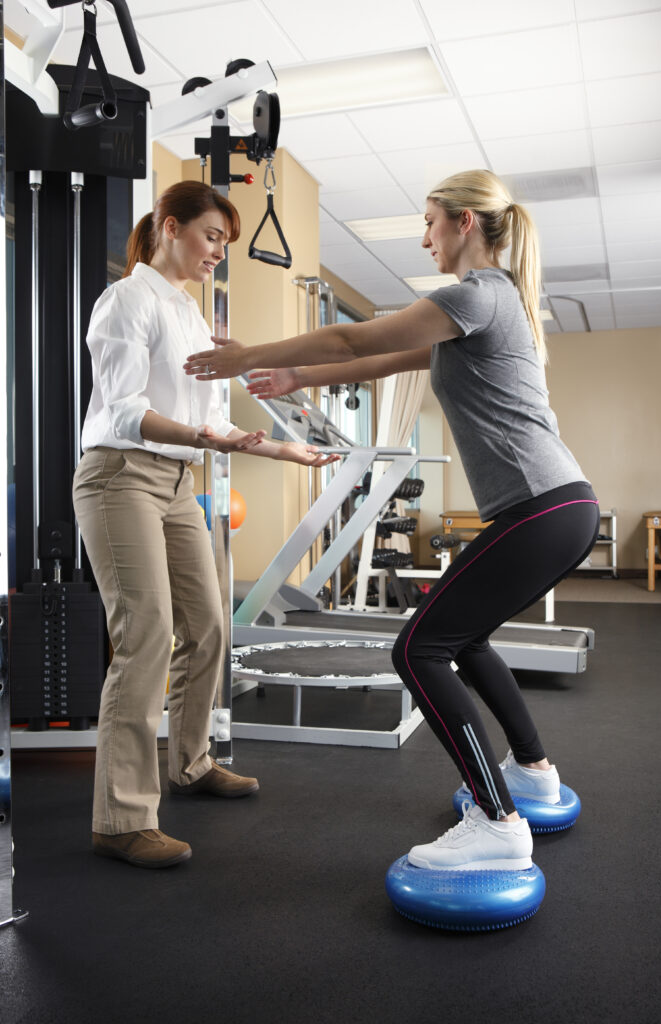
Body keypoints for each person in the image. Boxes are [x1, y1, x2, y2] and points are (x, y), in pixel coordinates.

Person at [183, 168, 600, 872]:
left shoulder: (475, 295)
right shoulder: (483, 307)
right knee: (461, 639)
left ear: (465, 223)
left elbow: (354, 341)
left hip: (543, 505)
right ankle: (531, 773)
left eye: (431, 220)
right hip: (554, 506)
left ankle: (498, 821)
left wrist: (246, 357)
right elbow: (392, 358)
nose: (424, 235)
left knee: (417, 649)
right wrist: (295, 379)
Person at [73, 181, 338, 870]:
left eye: (225, 240)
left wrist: (285, 449)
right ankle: (122, 819)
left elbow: (212, 423)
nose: (219, 251)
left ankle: (189, 763)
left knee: (210, 623)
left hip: (175, 480)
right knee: (147, 634)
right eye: (211, 235)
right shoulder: (126, 300)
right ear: (169, 226)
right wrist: (204, 437)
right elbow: (126, 411)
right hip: (118, 475)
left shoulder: (191, 314)